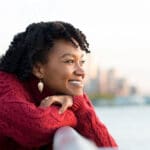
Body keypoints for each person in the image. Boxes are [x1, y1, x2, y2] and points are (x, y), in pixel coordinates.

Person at [0, 21, 118, 150]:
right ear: (39, 69)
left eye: (81, 62)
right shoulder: (5, 87)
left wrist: (77, 104)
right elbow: (38, 126)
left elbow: (108, 147)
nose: (81, 72)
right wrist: (71, 113)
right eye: (69, 61)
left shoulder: (65, 93)